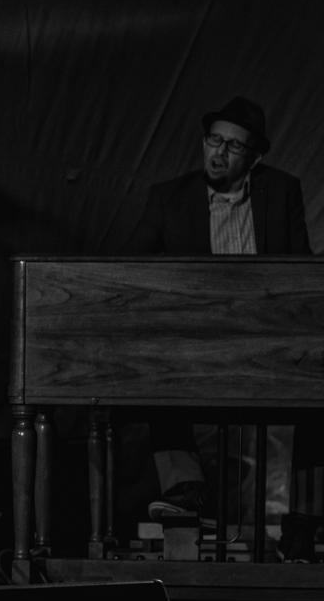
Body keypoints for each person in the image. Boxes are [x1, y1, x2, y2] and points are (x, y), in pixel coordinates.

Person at [126, 95, 313, 531]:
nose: (219, 152)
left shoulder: (281, 191)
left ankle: (300, 525)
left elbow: (301, 271)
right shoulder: (169, 198)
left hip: (264, 342)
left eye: (233, 146)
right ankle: (185, 491)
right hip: (193, 342)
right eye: (214, 140)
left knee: (314, 389)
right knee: (157, 377)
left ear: (254, 156)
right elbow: (130, 268)